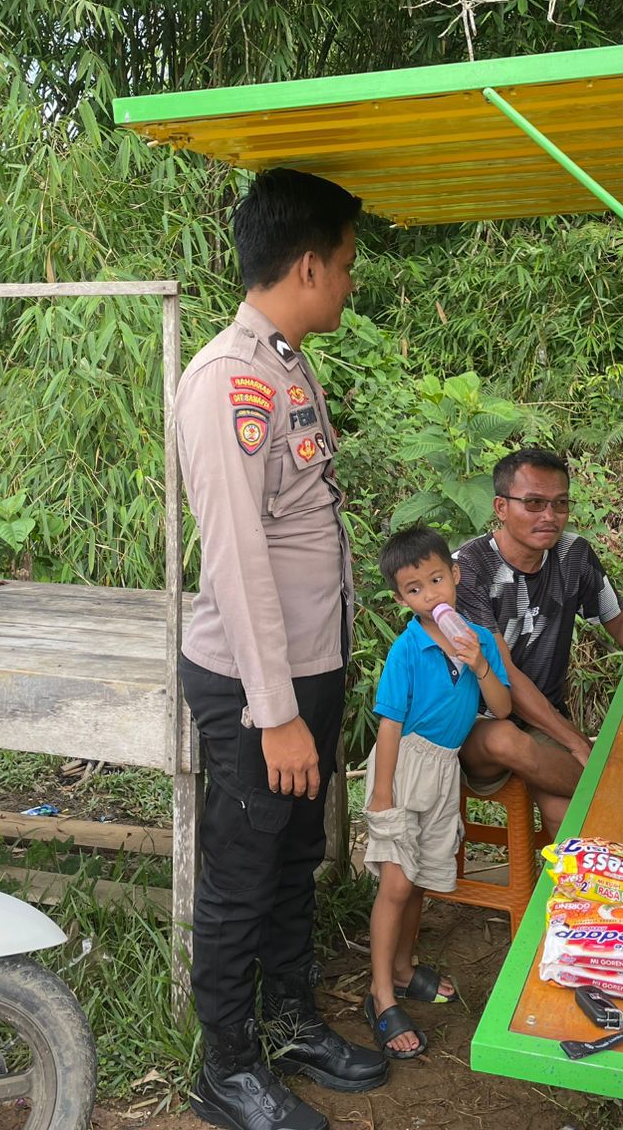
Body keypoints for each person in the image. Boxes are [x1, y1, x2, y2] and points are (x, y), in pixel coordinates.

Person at [175, 168, 388, 1130]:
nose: (349, 283)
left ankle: (292, 1018)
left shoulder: (287, 365)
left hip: (306, 670)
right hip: (256, 686)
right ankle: (225, 1066)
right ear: (307, 264)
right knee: (243, 868)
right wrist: (276, 716)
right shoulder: (229, 383)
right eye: (343, 266)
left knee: (296, 857)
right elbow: (236, 562)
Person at [456, 448, 623, 838]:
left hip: (539, 715)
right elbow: (504, 674)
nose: (549, 516)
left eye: (560, 503)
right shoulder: (467, 568)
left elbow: (618, 620)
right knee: (506, 740)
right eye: (533, 503)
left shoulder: (573, 554)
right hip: (472, 721)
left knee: (565, 812)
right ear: (500, 506)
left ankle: (560, 894)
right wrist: (577, 742)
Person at [363, 526, 514, 1058]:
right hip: (403, 767)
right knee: (397, 886)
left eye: (436, 580)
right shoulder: (408, 649)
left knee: (422, 880)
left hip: (444, 769)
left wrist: (478, 663)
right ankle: (380, 995)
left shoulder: (482, 641)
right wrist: (382, 794)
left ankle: (404, 970)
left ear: (456, 575)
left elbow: (502, 709)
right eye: (414, 589)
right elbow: (388, 722)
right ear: (402, 598)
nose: (430, 595)